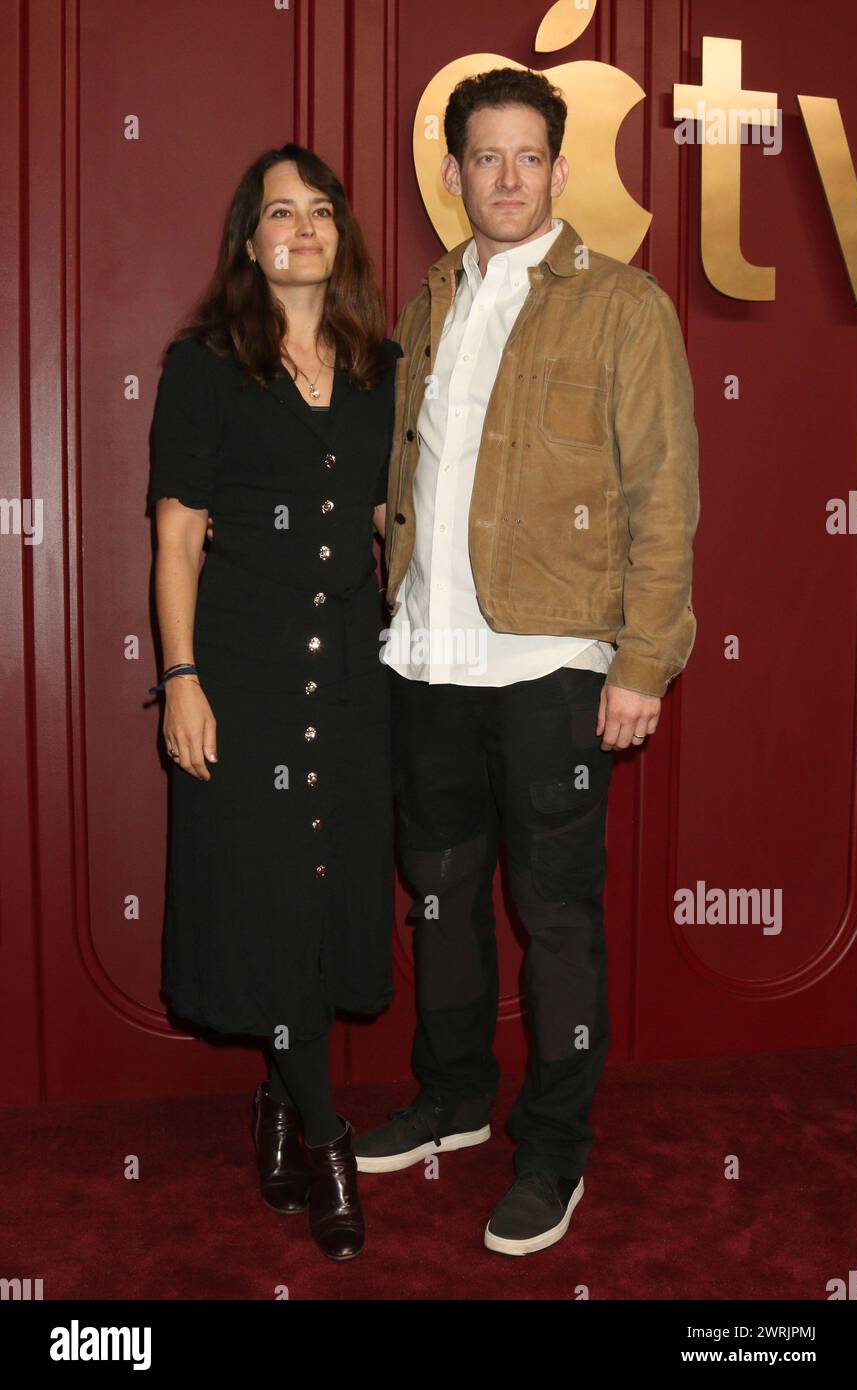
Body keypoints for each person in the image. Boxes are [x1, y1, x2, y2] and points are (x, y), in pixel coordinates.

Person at [352, 68, 700, 1257]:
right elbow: (407, 475)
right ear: (450, 173)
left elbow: (664, 496)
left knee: (553, 919)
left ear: (559, 170)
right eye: (482, 157)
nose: (505, 178)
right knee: (440, 902)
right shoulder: (428, 299)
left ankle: (551, 1145)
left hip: (552, 663)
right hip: (427, 660)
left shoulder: (622, 306)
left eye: (526, 157)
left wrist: (642, 661)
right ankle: (452, 1098)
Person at [146, 142, 400, 1261]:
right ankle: (328, 1139)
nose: (301, 227)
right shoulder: (203, 365)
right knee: (263, 890)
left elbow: (393, 519)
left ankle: (274, 1101)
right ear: (247, 242)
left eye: (319, 211)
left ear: (338, 235)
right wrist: (182, 679)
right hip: (241, 671)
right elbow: (175, 537)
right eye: (278, 212)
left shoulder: (382, 367)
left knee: (318, 890)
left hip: (349, 672)